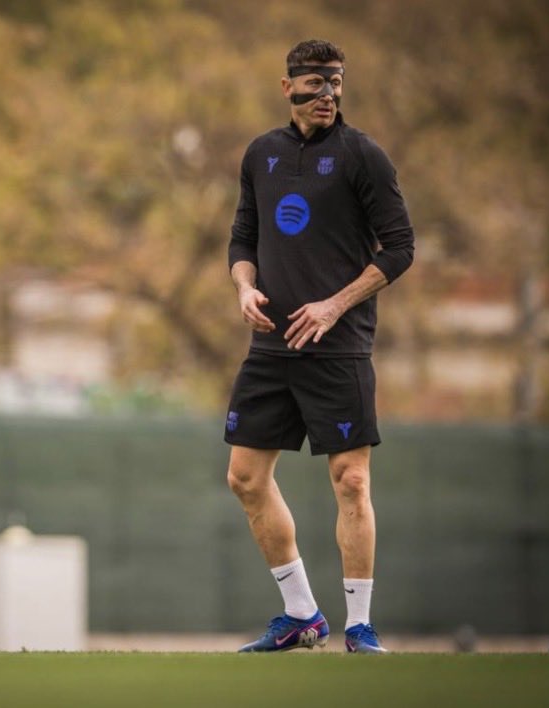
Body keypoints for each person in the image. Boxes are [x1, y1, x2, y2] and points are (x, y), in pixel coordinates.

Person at [224, 39, 414, 654]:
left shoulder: (363, 156)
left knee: (351, 480)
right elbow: (243, 238)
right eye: (314, 84)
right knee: (245, 478)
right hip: (271, 346)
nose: (327, 94)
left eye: (335, 83)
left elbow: (400, 248)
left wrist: (334, 305)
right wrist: (245, 287)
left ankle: (359, 625)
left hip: (340, 347)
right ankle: (302, 614)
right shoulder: (261, 154)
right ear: (288, 88)